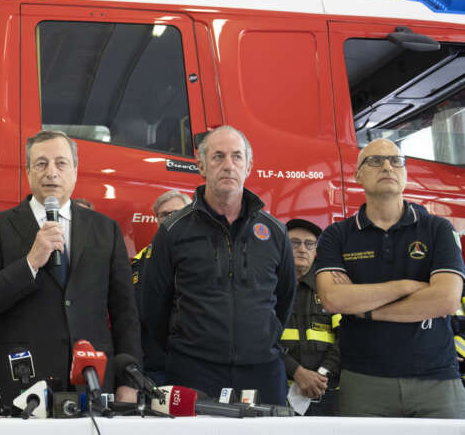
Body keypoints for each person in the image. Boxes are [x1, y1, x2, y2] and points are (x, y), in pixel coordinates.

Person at [0, 130, 141, 404]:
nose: (51, 172)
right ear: (27, 172)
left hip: (93, 380)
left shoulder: (105, 229)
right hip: (25, 381)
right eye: (41, 163)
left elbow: (125, 313)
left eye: (61, 163)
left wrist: (129, 383)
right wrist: (30, 263)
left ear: (74, 171)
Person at [141, 126, 295, 405]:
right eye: (218, 157)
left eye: (237, 157)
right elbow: (154, 307)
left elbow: (284, 299)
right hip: (193, 372)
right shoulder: (173, 231)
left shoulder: (274, 232)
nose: (228, 165)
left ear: (248, 166)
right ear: (201, 166)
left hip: (263, 372)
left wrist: (262, 341)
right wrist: (187, 347)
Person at [315, 139, 465, 418]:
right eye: (375, 160)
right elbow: (333, 298)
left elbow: (446, 299)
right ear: (358, 175)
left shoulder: (438, 229)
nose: (387, 166)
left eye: (396, 161)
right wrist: (406, 286)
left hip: (437, 382)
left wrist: (367, 311)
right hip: (364, 382)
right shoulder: (336, 235)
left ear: (405, 174)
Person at [131, 190, 191, 384]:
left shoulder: (208, 255)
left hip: (194, 365)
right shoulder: (139, 262)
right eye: (164, 214)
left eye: (177, 212)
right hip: (153, 368)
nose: (170, 218)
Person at [281, 219, 340, 416]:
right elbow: (261, 340)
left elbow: (345, 338)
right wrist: (298, 372)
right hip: (281, 389)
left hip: (324, 390)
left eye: (309, 244)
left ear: (316, 251)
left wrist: (320, 375)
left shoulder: (330, 288)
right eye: (294, 242)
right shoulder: (269, 288)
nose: (302, 249)